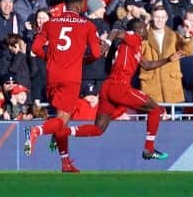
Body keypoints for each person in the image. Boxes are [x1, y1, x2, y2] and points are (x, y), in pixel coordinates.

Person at [55, 19, 183, 161]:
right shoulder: (133, 37)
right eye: (145, 27)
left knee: (98, 129)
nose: (148, 30)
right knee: (155, 109)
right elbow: (116, 32)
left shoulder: (134, 46)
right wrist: (107, 44)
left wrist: (169, 59)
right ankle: (149, 149)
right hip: (119, 86)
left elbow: (146, 65)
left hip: (107, 87)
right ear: (139, 29)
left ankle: (62, 132)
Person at [24, 0, 102, 173]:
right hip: (71, 78)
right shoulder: (87, 25)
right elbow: (97, 54)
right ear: (79, 5)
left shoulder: (51, 23)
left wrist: (51, 59)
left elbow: (35, 48)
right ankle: (36, 130)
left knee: (62, 119)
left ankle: (65, 162)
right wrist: (83, 61)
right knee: (61, 120)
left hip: (52, 76)